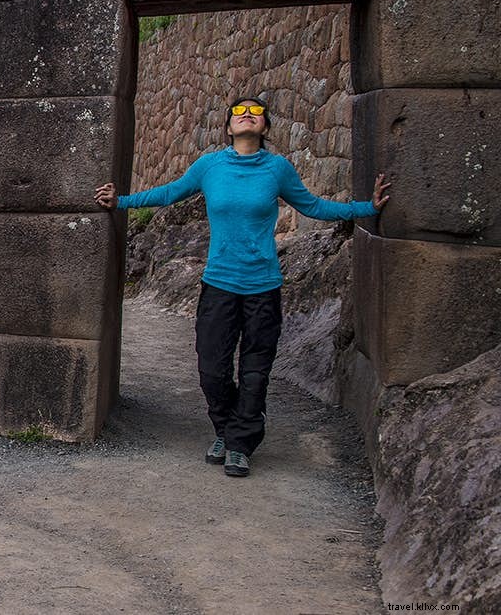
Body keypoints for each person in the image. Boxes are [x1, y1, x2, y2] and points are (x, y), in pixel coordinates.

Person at [93, 97, 390, 478]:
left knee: (254, 370)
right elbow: (168, 193)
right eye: (238, 112)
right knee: (211, 369)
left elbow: (313, 207)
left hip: (263, 287)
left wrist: (367, 208)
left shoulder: (277, 169)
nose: (246, 114)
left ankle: (239, 443)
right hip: (218, 285)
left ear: (265, 127)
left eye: (255, 112)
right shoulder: (210, 166)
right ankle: (227, 428)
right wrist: (120, 201)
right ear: (228, 127)